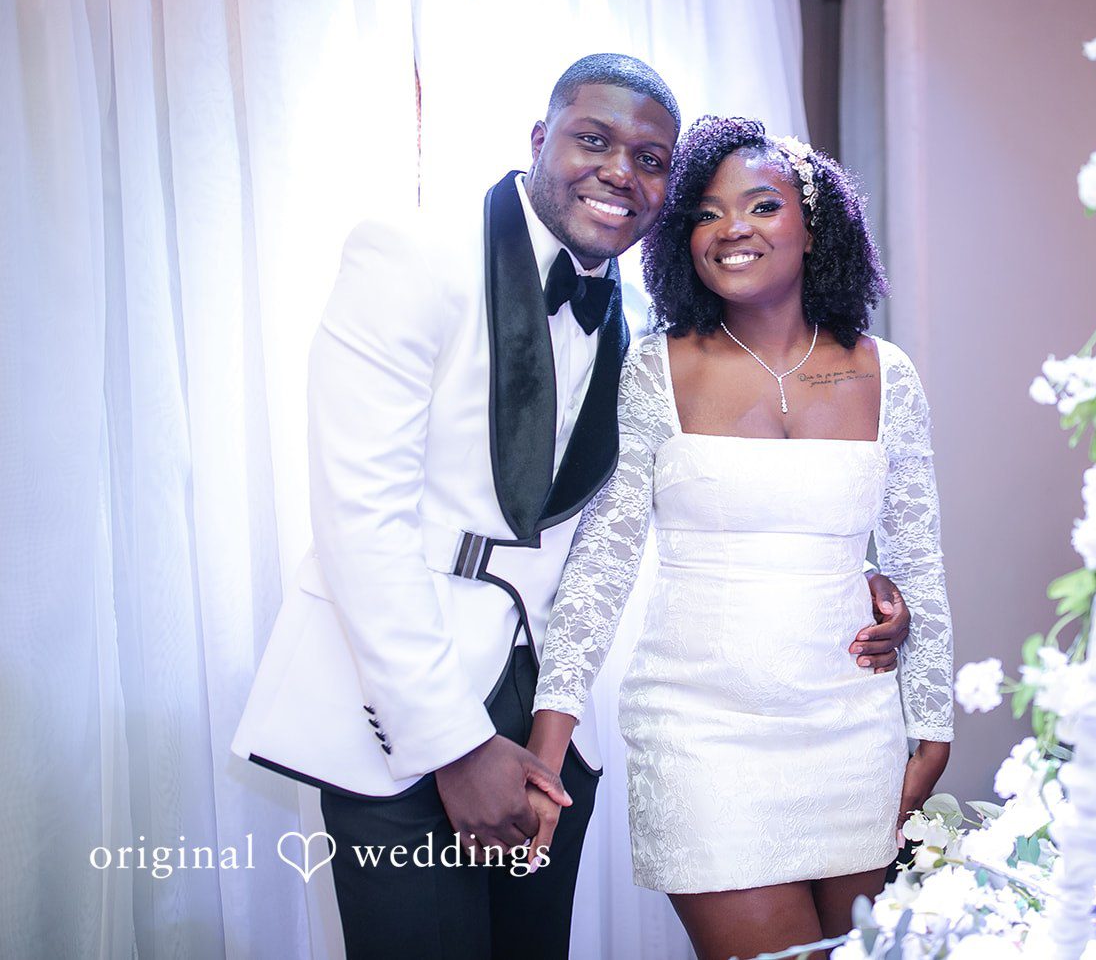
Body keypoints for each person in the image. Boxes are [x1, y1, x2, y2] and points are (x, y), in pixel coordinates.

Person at [230, 56, 912, 959]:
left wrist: (847, 571)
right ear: (540, 138)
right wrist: (454, 745)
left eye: (652, 158)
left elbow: (653, 509)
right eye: (594, 138)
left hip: (551, 722)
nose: (621, 170)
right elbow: (362, 523)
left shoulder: (631, 319)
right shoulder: (412, 253)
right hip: (401, 706)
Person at [526, 115, 954, 960]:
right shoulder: (655, 367)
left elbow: (917, 554)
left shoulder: (885, 372)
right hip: (703, 732)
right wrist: (549, 738)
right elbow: (604, 561)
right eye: (707, 213)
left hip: (852, 727)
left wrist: (933, 727)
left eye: (762, 205)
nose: (732, 230)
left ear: (814, 223)